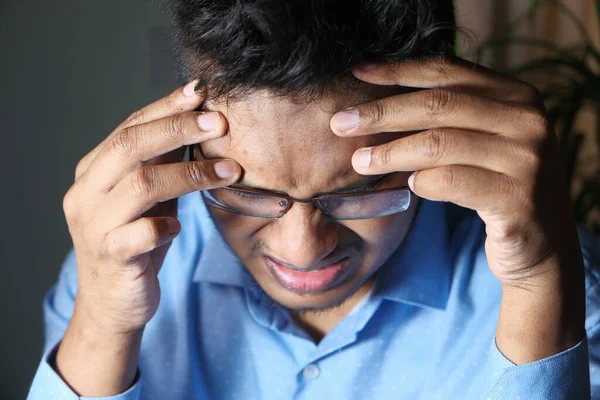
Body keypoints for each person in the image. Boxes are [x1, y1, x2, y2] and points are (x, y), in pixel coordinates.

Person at [27, 0, 600, 399]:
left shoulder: (569, 287)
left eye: (358, 192)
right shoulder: (116, 265)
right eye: (247, 191)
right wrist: (103, 320)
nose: (301, 250)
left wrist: (537, 284)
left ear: (428, 143)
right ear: (190, 143)